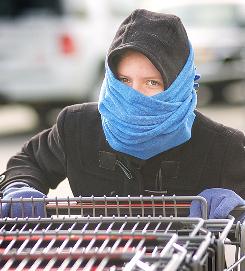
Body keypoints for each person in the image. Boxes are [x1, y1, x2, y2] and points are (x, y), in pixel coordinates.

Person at [0, 9, 245, 219]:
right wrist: (21, 187)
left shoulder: (222, 146)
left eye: (151, 83)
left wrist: (237, 205)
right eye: (125, 80)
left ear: (179, 84)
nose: (133, 96)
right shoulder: (76, 125)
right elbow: (29, 161)